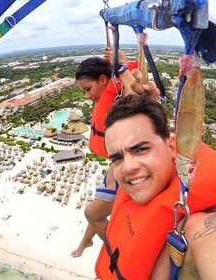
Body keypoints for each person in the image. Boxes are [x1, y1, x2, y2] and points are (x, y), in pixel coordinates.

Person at [95, 94, 216, 279]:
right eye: (117, 158)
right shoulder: (135, 185)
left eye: (141, 149)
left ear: (172, 147)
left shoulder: (202, 228)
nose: (128, 167)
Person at [71, 48, 144, 258]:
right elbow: (123, 76)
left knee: (92, 212)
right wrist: (116, 63)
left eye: (88, 89)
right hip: (115, 163)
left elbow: (135, 90)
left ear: (103, 80)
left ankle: (118, 253)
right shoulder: (113, 86)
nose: (87, 96)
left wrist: (120, 64)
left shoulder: (120, 97)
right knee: (96, 206)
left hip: (124, 163)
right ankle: (86, 241)